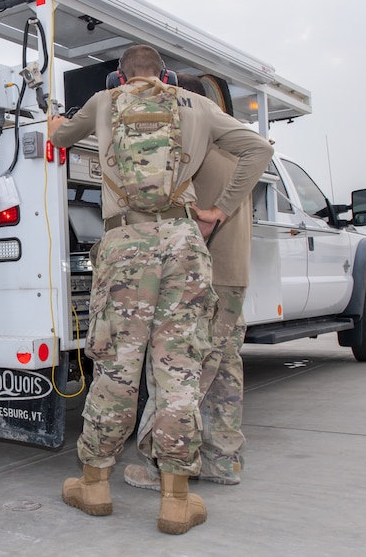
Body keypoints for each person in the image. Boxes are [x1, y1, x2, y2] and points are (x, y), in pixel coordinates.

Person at [47, 46, 272, 534]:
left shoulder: (105, 101)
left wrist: (52, 122)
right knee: (180, 369)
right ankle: (176, 500)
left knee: (118, 367)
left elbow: (62, 138)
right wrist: (222, 209)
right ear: (166, 75)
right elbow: (259, 150)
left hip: (126, 240)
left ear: (118, 76)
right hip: (183, 240)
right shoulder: (197, 106)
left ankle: (94, 484)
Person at [125, 73, 256, 494]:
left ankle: (159, 466)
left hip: (200, 280)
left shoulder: (195, 153)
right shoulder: (235, 154)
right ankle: (222, 460)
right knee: (223, 373)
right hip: (232, 278)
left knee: (178, 374)